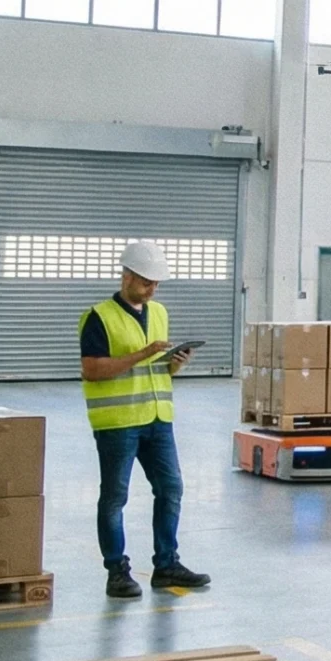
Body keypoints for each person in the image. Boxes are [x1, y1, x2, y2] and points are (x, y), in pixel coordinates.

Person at [79, 242, 210, 599]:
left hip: (157, 418)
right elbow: (92, 370)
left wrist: (174, 365)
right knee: (114, 498)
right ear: (126, 276)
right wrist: (143, 353)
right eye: (146, 282)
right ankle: (117, 572)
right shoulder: (99, 317)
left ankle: (166, 565)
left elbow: (157, 370)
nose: (152, 289)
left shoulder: (159, 313)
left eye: (156, 283)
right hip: (118, 422)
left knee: (171, 489)